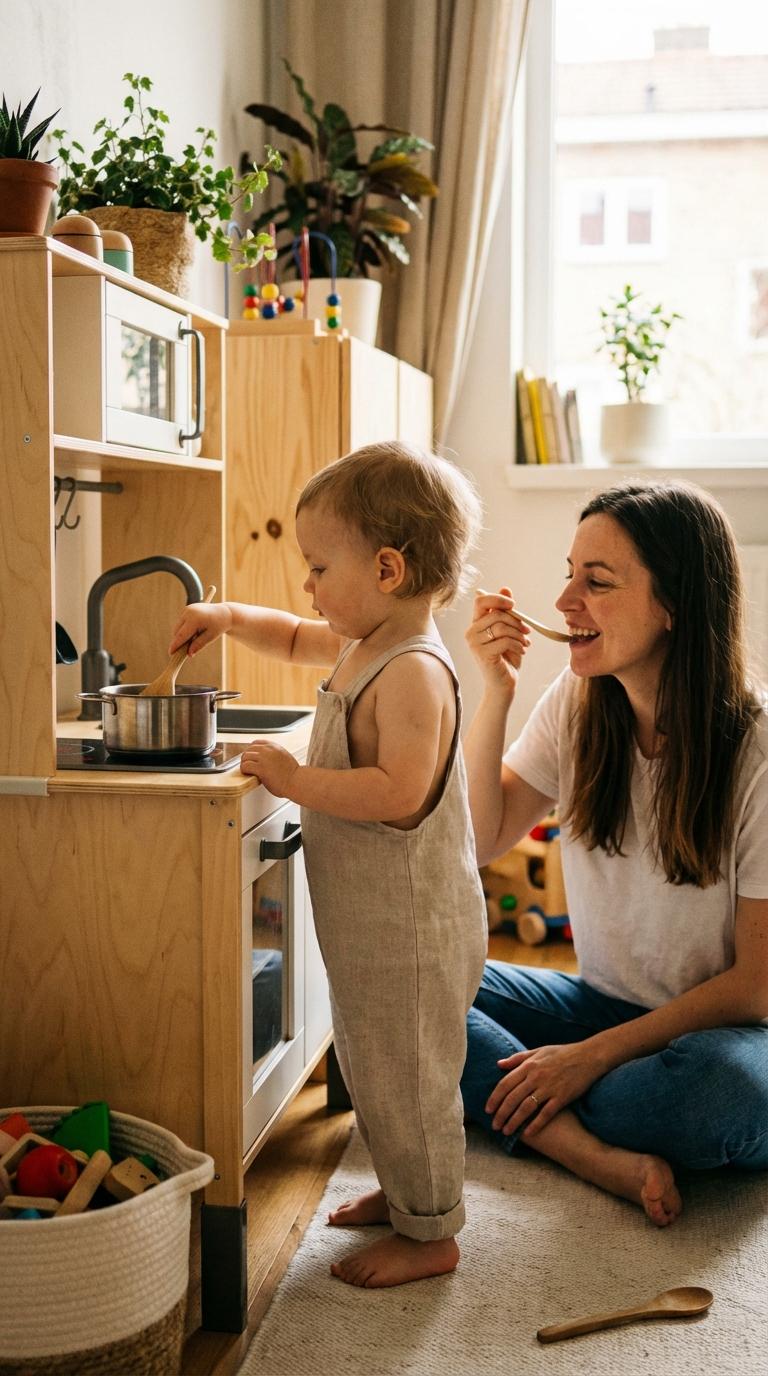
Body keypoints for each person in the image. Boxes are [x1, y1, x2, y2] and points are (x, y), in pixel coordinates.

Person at [169, 442, 488, 1286]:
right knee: (376, 1063)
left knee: (412, 1078)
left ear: (386, 567)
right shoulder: (365, 639)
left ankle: (434, 1235)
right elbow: (298, 634)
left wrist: (297, 777)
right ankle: (405, 1192)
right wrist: (230, 616)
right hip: (370, 923)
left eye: (317, 567)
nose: (307, 589)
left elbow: (399, 789)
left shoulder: (414, 670)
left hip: (414, 927)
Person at [461, 479, 768, 1226]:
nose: (566, 601)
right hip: (597, 1004)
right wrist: (494, 694)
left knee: (722, 1097)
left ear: (674, 605)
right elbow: (480, 839)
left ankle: (527, 1107)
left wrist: (587, 1060)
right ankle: (586, 1152)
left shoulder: (756, 750)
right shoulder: (574, 703)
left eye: (596, 582)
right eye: (569, 575)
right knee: (405, 976)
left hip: (724, 1037)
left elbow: (757, 987)